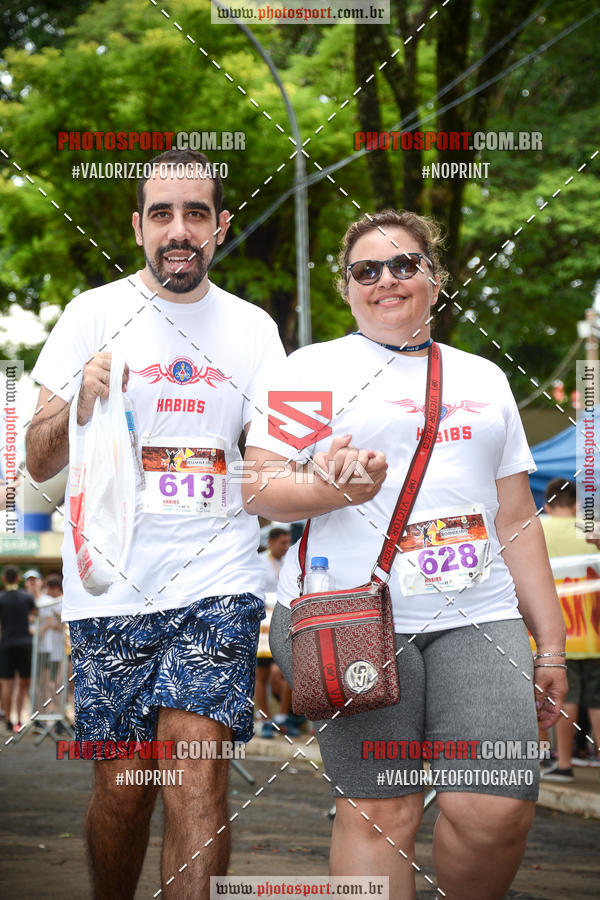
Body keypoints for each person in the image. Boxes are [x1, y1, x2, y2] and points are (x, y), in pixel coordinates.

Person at [243, 209, 568, 899]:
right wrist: (330, 487)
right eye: (367, 270)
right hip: (351, 614)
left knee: (497, 806)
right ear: (347, 287)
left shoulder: (483, 378)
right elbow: (261, 491)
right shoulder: (314, 371)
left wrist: (552, 647)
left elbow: (515, 517)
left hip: (480, 615)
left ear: (436, 277)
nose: (386, 280)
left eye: (404, 265)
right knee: (383, 809)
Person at [25, 148, 285, 900]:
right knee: (124, 784)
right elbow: (38, 466)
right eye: (163, 214)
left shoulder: (255, 331)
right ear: (139, 226)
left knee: (193, 761)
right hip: (109, 581)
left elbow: (266, 467)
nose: (180, 230)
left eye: (196, 213)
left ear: (221, 227)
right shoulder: (91, 314)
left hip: (218, 577)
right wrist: (74, 398)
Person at [540, 478, 600, 780]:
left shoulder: (538, 528)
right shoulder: (592, 527)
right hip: (595, 631)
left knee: (566, 697)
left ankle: (563, 764)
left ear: (548, 505)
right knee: (597, 701)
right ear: (576, 503)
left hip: (555, 634)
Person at [255, 527, 299, 737]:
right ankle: (265, 718)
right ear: (271, 542)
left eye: (288, 542)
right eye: (282, 542)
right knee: (261, 673)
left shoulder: (291, 561)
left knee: (286, 669)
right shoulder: (259, 561)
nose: (286, 546)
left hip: (283, 619)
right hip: (263, 623)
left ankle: (282, 717)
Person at [0, 565, 35, 732]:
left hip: (6, 643)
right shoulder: (27, 597)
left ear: (4, 579)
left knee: (7, 683)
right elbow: (34, 616)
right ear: (19, 579)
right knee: (23, 682)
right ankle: (19, 719)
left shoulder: (1, 598)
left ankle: (8, 720)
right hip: (24, 643)